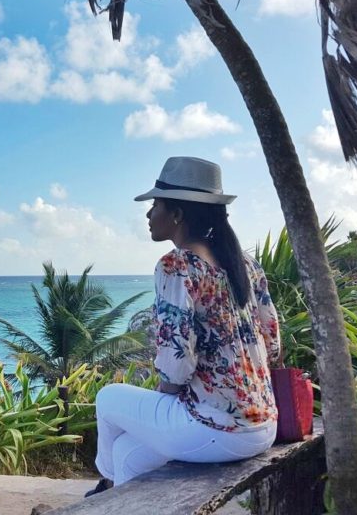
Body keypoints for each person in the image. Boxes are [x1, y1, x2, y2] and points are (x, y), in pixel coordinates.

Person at [87, 156, 281, 495]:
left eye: (155, 205)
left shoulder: (177, 265)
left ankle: (103, 485)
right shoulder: (245, 263)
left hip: (217, 428)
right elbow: (273, 341)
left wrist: (166, 399)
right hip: (264, 423)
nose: (149, 215)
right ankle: (115, 491)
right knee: (126, 455)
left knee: (106, 397)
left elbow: (176, 363)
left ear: (177, 214)